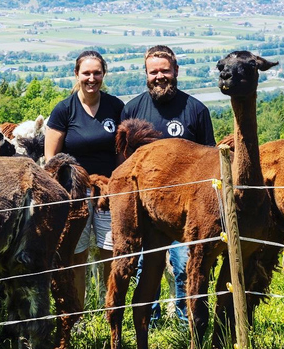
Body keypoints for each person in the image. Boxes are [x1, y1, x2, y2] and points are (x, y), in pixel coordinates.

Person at [123, 44, 215, 325]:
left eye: (165, 70)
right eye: (153, 72)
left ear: (176, 71)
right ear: (146, 74)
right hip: (145, 206)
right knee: (142, 268)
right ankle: (148, 323)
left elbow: (210, 160)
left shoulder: (196, 110)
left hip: (185, 210)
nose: (159, 76)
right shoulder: (132, 110)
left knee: (185, 267)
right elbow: (125, 164)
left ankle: (186, 321)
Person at [45, 50, 125, 308]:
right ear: (76, 75)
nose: (92, 78)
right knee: (76, 256)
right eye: (86, 73)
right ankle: (76, 314)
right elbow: (51, 160)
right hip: (74, 196)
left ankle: (111, 312)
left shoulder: (116, 107)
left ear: (104, 74)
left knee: (110, 254)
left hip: (108, 193)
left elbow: (123, 154)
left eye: (97, 73)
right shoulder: (64, 110)